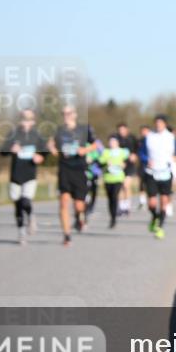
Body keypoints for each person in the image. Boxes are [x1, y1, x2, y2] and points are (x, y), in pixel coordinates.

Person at [48, 105, 98, 247]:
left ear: (75, 115)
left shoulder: (84, 129)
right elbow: (51, 143)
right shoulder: (59, 130)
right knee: (63, 202)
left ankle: (79, 217)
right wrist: (52, 148)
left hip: (79, 169)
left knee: (79, 205)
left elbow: (96, 145)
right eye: (63, 113)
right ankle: (67, 235)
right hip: (64, 169)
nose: (66, 115)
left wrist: (85, 149)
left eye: (69, 113)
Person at [0, 109, 48, 244]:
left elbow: (45, 151)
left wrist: (41, 157)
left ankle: (31, 216)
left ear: (33, 121)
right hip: (15, 175)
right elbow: (2, 151)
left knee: (26, 201)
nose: (26, 121)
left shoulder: (36, 135)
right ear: (20, 120)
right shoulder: (13, 134)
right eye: (23, 118)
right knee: (17, 204)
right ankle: (21, 232)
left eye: (28, 119)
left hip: (30, 174)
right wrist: (10, 149)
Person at [144, 114, 176, 239]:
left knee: (164, 201)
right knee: (151, 203)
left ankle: (160, 227)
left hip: (165, 173)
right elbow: (141, 152)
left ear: (165, 124)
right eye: (156, 123)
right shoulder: (149, 136)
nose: (158, 125)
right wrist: (146, 159)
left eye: (161, 123)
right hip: (151, 172)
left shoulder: (170, 137)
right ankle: (154, 217)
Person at [98, 135, 130, 229]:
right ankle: (112, 216)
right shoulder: (106, 152)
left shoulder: (122, 152)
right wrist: (105, 163)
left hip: (118, 177)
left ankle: (114, 218)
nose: (112, 143)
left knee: (115, 196)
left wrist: (124, 164)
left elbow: (129, 161)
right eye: (110, 142)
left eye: (114, 141)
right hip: (108, 178)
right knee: (110, 198)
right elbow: (100, 163)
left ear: (117, 143)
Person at [115, 122, 138, 217]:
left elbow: (138, 149)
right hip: (119, 166)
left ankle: (127, 206)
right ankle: (121, 207)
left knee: (126, 185)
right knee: (119, 187)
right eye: (120, 130)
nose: (121, 131)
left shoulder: (132, 138)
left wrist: (135, 155)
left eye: (123, 129)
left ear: (127, 129)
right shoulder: (116, 139)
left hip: (129, 166)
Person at [137, 125, 151, 210]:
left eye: (145, 131)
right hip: (143, 164)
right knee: (142, 183)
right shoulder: (140, 141)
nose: (144, 133)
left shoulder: (153, 140)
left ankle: (150, 200)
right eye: (142, 131)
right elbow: (138, 152)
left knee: (150, 183)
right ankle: (142, 201)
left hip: (153, 165)